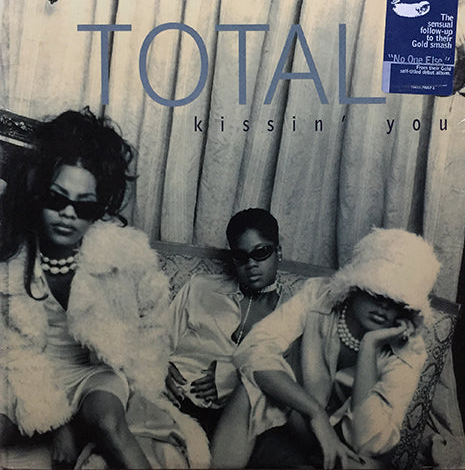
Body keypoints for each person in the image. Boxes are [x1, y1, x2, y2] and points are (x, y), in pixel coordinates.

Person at [0, 108, 183, 469]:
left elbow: (153, 318)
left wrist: (150, 370)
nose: (68, 214)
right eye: (57, 199)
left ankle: (83, 424)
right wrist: (56, 423)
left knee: (108, 421)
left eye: (84, 207)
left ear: (99, 208)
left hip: (90, 372)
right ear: (39, 194)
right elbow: (11, 348)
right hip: (28, 371)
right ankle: (68, 425)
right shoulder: (11, 255)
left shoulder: (124, 254)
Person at [211, 228, 440, 469]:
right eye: (377, 293)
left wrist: (369, 347)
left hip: (354, 453)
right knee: (250, 387)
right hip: (302, 424)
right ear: (355, 285)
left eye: (396, 301)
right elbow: (254, 350)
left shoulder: (409, 350)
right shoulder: (319, 296)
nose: (384, 306)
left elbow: (367, 443)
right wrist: (315, 413)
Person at [162, 208, 298, 440]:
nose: (251, 264)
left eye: (261, 253)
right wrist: (158, 366)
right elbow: (157, 337)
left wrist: (231, 378)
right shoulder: (200, 287)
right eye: (241, 256)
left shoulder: (294, 313)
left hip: (236, 421)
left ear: (278, 252)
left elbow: (288, 381)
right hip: (173, 402)